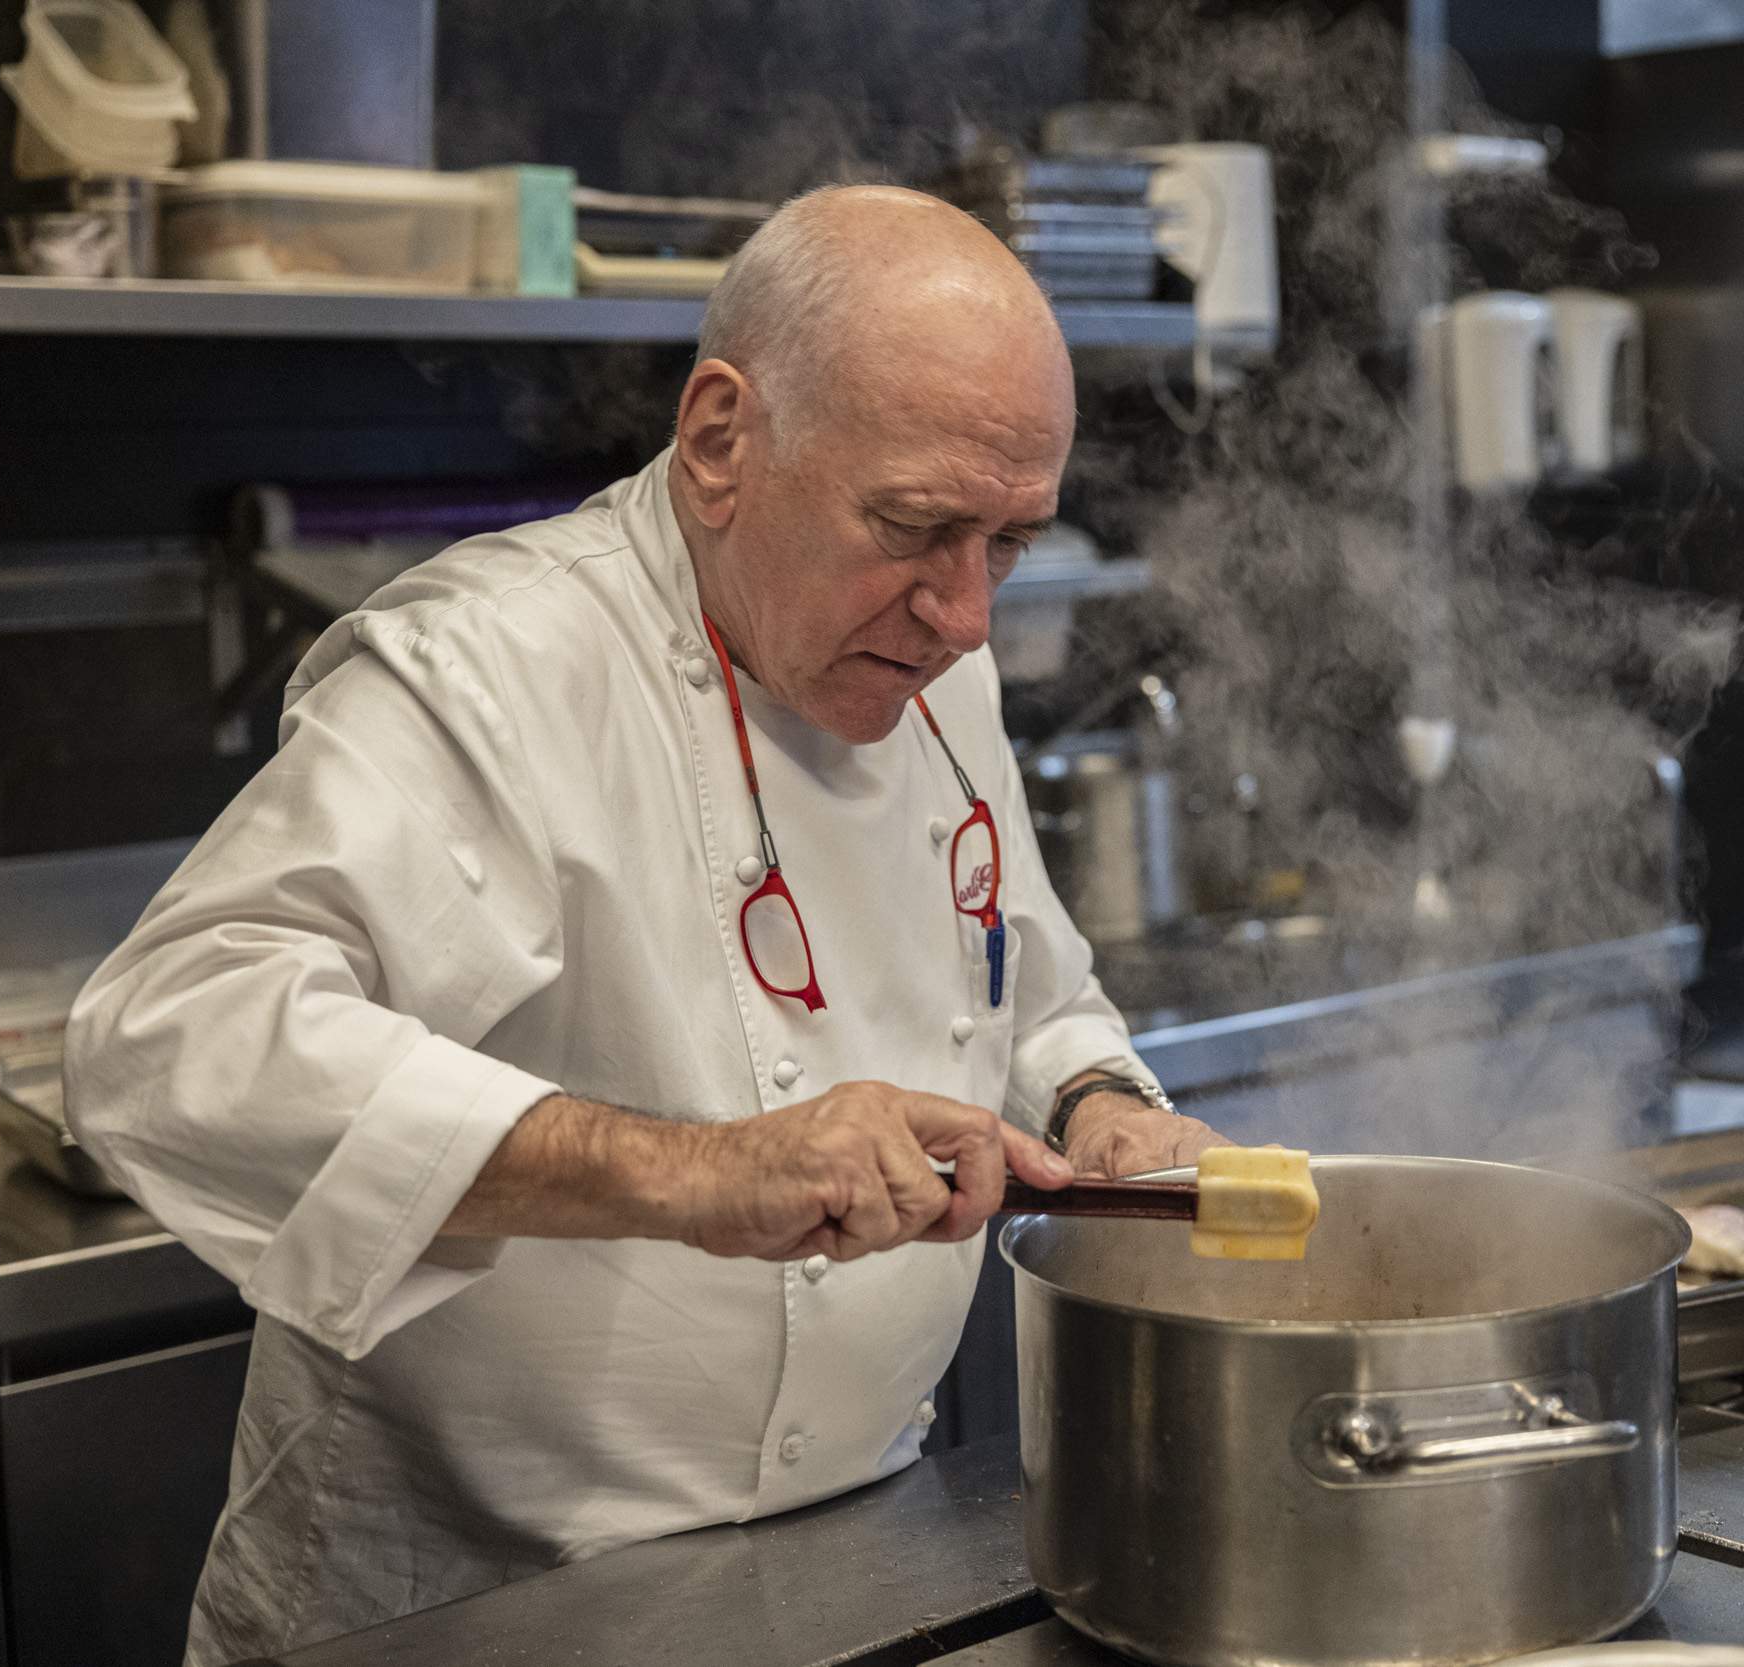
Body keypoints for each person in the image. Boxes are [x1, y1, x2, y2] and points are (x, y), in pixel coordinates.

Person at [63, 184, 1229, 1666]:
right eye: (918, 525)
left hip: (842, 1581)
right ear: (722, 439)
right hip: (475, 1613)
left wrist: (1101, 1101)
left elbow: (1019, 965)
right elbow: (169, 1036)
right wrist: (694, 1172)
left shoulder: (925, 651)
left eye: (1008, 542)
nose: (966, 616)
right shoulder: (491, 667)